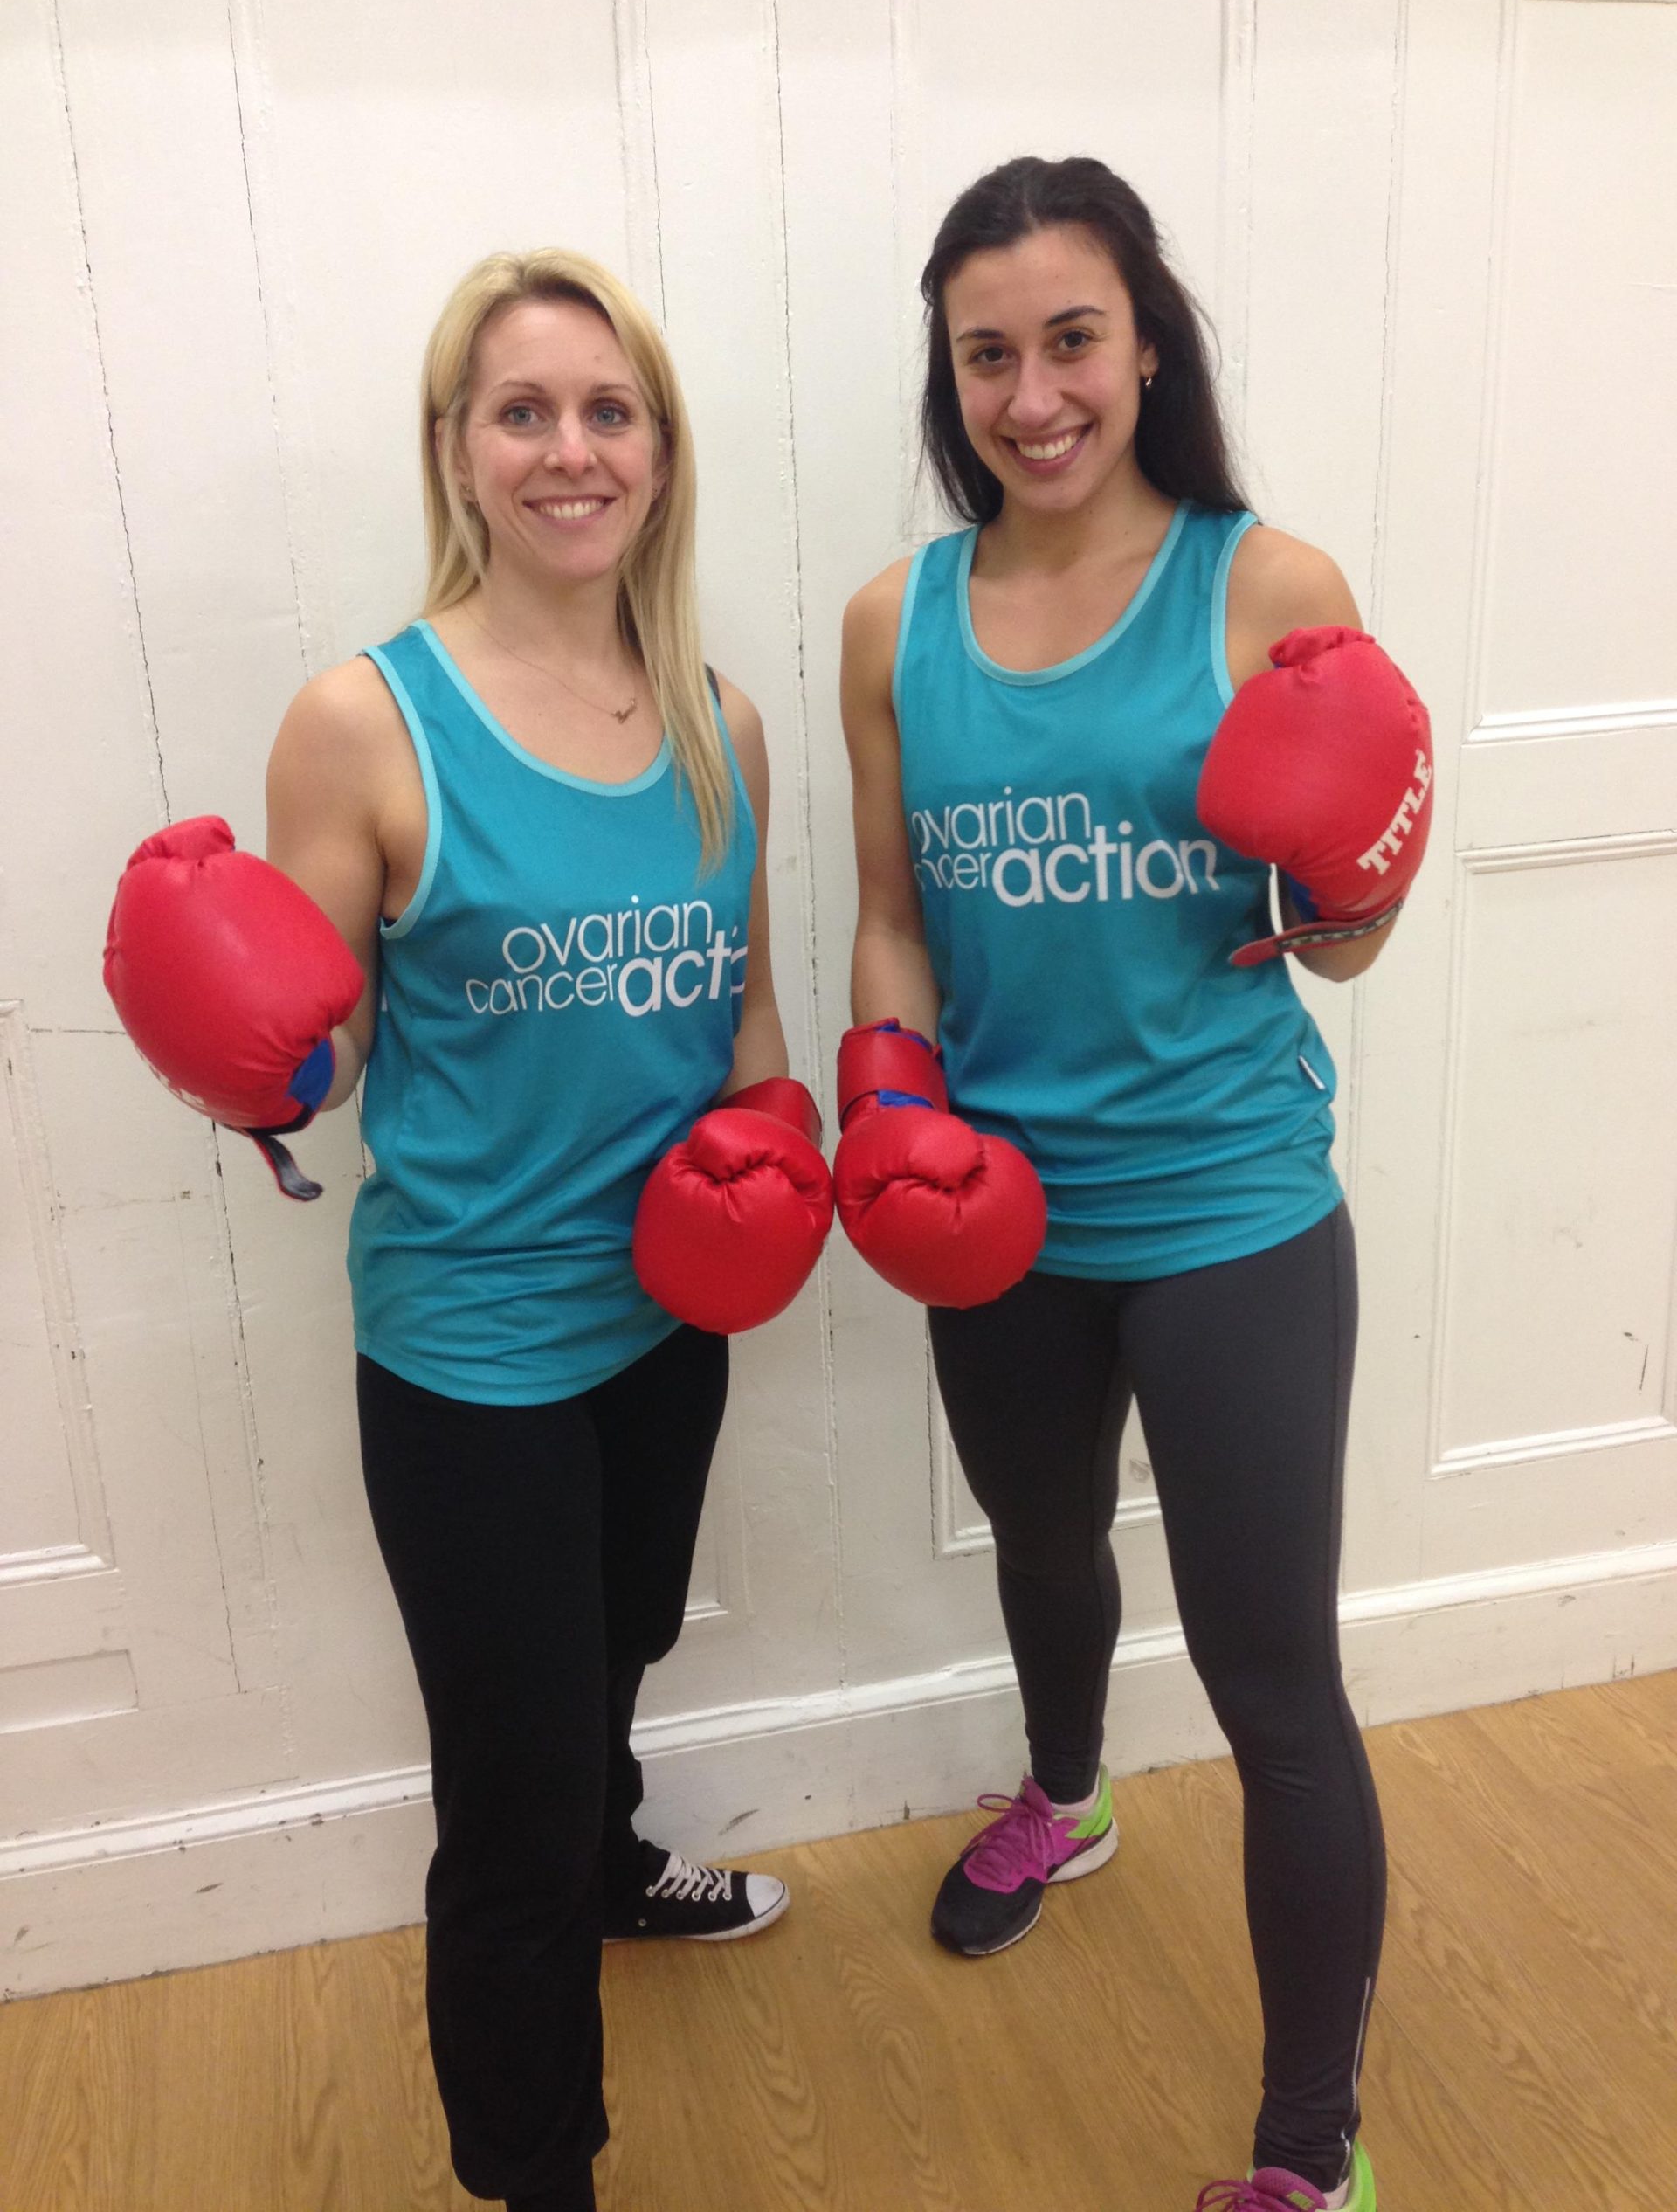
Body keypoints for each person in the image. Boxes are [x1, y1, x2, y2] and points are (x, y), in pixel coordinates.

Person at [106, 248, 830, 2212]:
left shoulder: (721, 723)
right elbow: (312, 1055)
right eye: (525, 410)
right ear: (459, 450)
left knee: (623, 1646)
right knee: (500, 1808)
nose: (569, 448)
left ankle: (617, 1864)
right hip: (472, 1349)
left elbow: (741, 1011)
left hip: (673, 1309)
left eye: (609, 410)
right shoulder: (363, 721)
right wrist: (244, 1069)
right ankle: (537, 2169)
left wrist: (786, 1141)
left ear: (659, 453)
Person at [834, 156, 1431, 2212]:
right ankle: (1067, 1798)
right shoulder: (889, 623)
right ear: (952, 373)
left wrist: (1359, 886)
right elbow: (893, 912)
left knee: (1273, 1676)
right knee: (1041, 1542)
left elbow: (1330, 936)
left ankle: (1307, 2154)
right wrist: (885, 1091)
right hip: (991, 1203)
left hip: (1231, 1204)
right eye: (986, 352)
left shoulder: (1271, 587)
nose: (1032, 391)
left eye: (1070, 337)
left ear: (1144, 340)